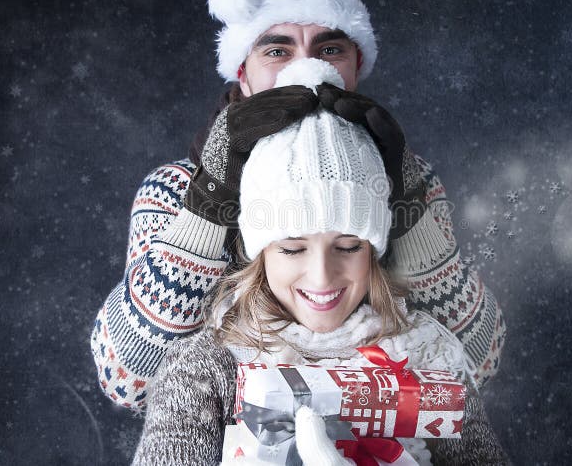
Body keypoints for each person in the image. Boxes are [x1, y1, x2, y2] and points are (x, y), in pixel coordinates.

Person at [90, 0, 506, 412]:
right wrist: (210, 203)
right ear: (242, 73)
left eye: (330, 49)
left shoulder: (412, 180)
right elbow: (128, 382)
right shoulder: (173, 192)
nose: (308, 70)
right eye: (277, 50)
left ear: (355, 68)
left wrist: (407, 202)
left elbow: (476, 366)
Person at [130, 90, 507, 465]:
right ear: (259, 254)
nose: (322, 277)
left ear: (374, 252)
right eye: (293, 249)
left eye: (347, 247)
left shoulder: (429, 357)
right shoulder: (206, 370)